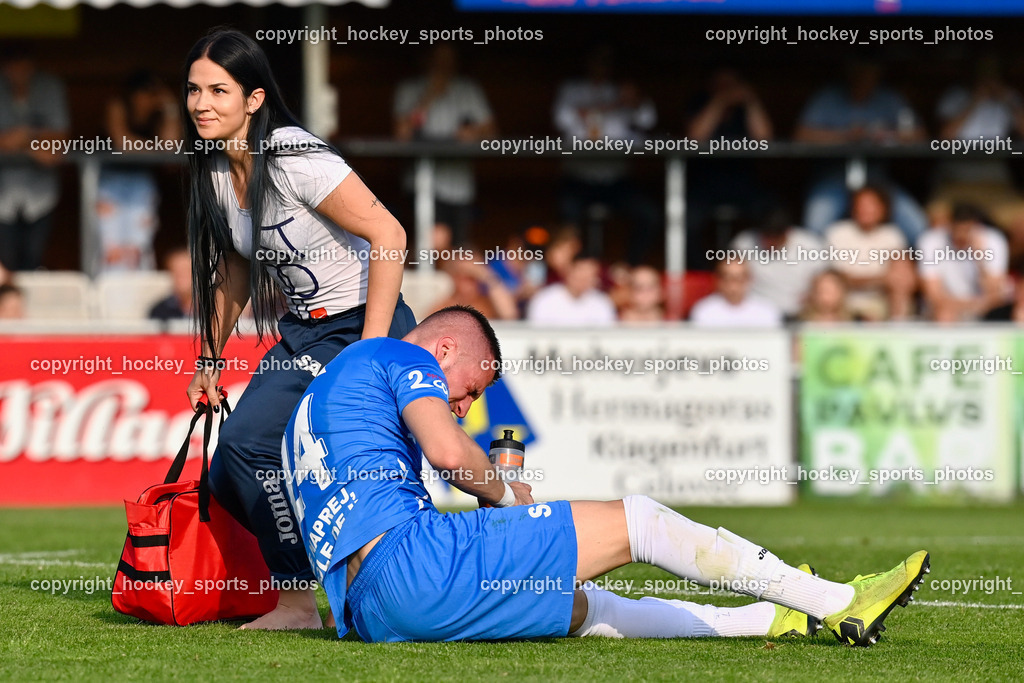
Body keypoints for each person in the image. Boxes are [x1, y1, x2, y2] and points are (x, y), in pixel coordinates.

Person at [282, 305, 929, 645]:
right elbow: (451, 453)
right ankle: (840, 602)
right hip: (411, 565)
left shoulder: (312, 407)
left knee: (575, 605)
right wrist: (507, 491)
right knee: (638, 520)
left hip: (368, 612)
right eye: (471, 388)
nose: (466, 405)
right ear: (444, 349)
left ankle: (767, 619)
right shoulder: (395, 353)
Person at [181, 29, 415, 630]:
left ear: (254, 99)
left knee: (251, 445)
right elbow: (233, 269)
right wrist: (208, 358)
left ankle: (303, 601)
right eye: (193, 90)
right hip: (303, 335)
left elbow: (389, 235)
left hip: (360, 327)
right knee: (236, 463)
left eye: (218, 90)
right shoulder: (214, 171)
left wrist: (372, 350)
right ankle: (322, 590)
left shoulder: (292, 156)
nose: (201, 103)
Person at [794, 60, 927, 244]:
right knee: (815, 224)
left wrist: (886, 135)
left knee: (916, 225)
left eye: (869, 74)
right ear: (848, 74)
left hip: (876, 178)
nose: (864, 79)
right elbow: (802, 135)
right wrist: (846, 136)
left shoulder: (888, 99)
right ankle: (821, 273)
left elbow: (919, 135)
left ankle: (912, 271)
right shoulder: (829, 97)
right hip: (835, 175)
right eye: (859, 73)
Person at [553, 46, 659, 265]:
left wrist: (634, 100)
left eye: (606, 62)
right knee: (566, 214)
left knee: (650, 215)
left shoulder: (622, 90)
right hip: (578, 178)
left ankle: (630, 267)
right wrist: (610, 106)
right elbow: (562, 120)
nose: (601, 67)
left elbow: (648, 121)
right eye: (597, 61)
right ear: (587, 62)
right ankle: (571, 271)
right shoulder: (572, 88)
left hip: (616, 180)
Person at [393, 44, 496, 247]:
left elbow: (491, 131)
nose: (444, 66)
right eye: (439, 59)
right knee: (432, 241)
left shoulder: (468, 88)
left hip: (460, 183)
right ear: (426, 60)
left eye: (448, 60)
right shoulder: (409, 88)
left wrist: (473, 133)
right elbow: (402, 133)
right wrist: (430, 95)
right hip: (422, 182)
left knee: (458, 247)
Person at [97, 70, 182, 272]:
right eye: (145, 93)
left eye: (153, 94)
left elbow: (170, 148)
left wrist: (170, 107)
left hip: (142, 181)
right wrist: (156, 151)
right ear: (133, 94)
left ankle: (138, 289)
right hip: (110, 179)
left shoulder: (158, 115)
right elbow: (122, 142)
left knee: (137, 244)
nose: (149, 100)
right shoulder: (118, 105)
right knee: (111, 245)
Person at [0, 45, 69, 271]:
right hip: (3, 194)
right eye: (13, 66)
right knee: (5, 262)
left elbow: (59, 139)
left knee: (33, 261)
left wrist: (23, 138)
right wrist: (33, 143)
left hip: (40, 193)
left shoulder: (49, 87)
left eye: (24, 66)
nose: (19, 72)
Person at [824, 186, 916, 321]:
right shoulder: (837, 233)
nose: (865, 210)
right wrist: (881, 279)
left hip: (881, 303)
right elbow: (839, 279)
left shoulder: (892, 235)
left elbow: (903, 278)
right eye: (861, 205)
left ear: (883, 209)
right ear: (853, 208)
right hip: (845, 303)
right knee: (827, 291)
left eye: (871, 205)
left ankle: (899, 329)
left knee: (902, 278)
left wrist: (894, 280)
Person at [918, 203, 1010, 322]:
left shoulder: (994, 240)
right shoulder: (931, 240)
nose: (961, 236)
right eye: (957, 230)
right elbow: (933, 294)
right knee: (944, 315)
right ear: (949, 226)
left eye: (966, 230)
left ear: (977, 227)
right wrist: (963, 307)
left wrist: (980, 258)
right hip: (947, 308)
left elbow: (995, 293)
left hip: (983, 308)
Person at [729, 208, 827, 319]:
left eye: (775, 237)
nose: (770, 243)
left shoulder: (811, 246)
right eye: (766, 236)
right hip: (756, 315)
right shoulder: (743, 244)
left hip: (799, 315)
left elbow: (823, 282)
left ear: (788, 232)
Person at [527, 254, 616, 326]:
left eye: (589, 276)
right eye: (581, 273)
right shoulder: (545, 299)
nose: (584, 280)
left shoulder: (602, 303)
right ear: (569, 271)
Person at [689, 259, 782, 327]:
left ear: (749, 279)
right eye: (728, 278)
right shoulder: (704, 311)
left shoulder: (767, 311)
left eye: (739, 278)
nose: (733, 285)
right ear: (718, 280)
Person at [148, 246, 192, 322]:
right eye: (177, 272)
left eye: (187, 271)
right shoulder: (160, 311)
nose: (182, 277)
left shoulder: (211, 308)